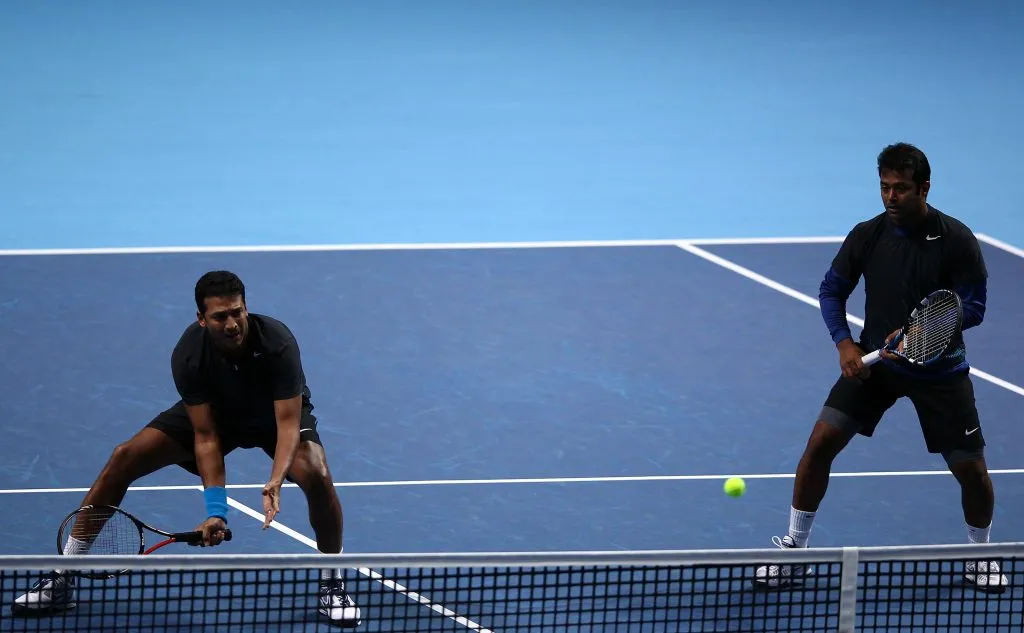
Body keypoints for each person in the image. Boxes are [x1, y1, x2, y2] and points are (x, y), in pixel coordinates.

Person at [11, 271, 362, 626]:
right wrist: (217, 510)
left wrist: (274, 481)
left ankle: (332, 579)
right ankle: (63, 575)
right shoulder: (190, 354)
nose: (231, 324)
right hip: (218, 414)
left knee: (316, 472)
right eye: (219, 317)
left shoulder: (277, 342)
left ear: (246, 308)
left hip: (271, 416)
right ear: (201, 319)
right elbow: (206, 436)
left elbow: (287, 425)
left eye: (237, 312)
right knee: (124, 458)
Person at [754, 142, 1007, 593]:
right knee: (819, 446)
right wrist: (844, 344)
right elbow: (832, 290)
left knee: (972, 471)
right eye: (885, 187)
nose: (891, 197)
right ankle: (795, 549)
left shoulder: (956, 239)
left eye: (902, 189)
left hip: (939, 372)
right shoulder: (868, 235)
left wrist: (925, 333)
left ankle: (980, 555)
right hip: (876, 365)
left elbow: (975, 306)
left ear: (924, 188)